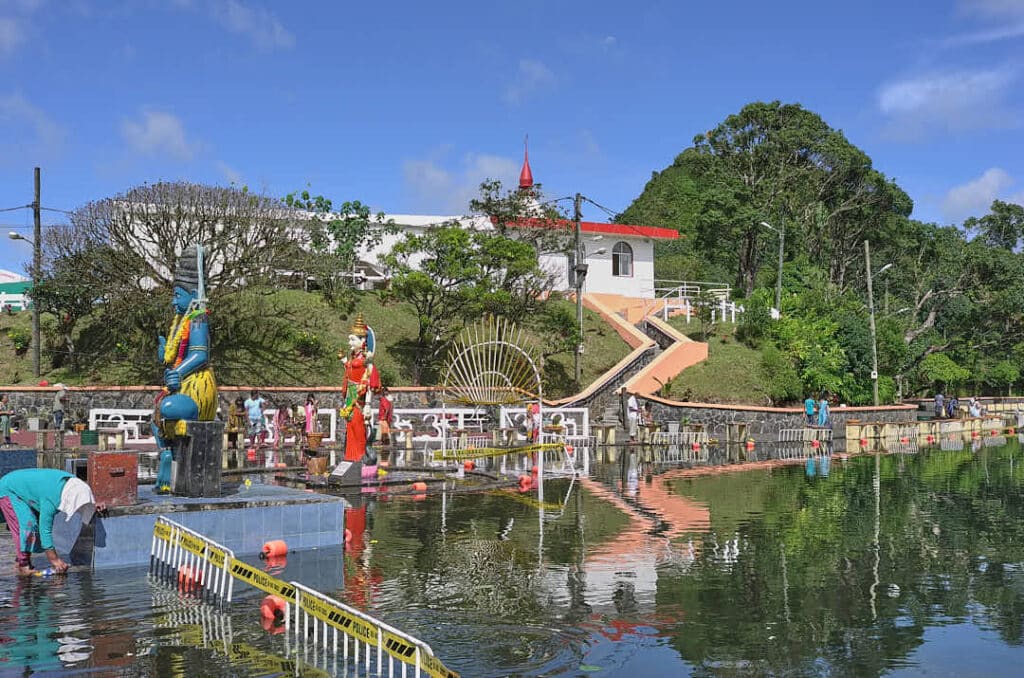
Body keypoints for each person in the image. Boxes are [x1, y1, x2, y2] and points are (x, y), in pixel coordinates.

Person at [152, 244, 217, 492]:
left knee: (166, 407)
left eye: (178, 296)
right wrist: (165, 356)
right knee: (156, 414)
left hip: (197, 387)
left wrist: (178, 373)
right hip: (182, 383)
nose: (173, 301)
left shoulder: (198, 318)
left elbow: (200, 355)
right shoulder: (182, 321)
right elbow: (177, 354)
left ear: (192, 294)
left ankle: (172, 456)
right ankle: (169, 456)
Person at [0, 468, 97, 576]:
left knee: (32, 524)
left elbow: (84, 499)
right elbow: (45, 530)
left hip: (25, 486)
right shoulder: (51, 500)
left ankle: (23, 560)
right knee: (27, 524)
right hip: (9, 488)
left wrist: (95, 505)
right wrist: (54, 560)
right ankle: (22, 565)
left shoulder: (76, 485)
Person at [340, 314, 380, 462]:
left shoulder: (365, 360)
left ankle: (359, 457)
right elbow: (350, 371)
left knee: (358, 427)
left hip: (360, 398)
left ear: (363, 341)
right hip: (350, 396)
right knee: (349, 428)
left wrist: (368, 405)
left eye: (353, 339)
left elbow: (368, 382)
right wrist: (344, 361)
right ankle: (349, 457)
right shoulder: (353, 359)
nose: (349, 342)